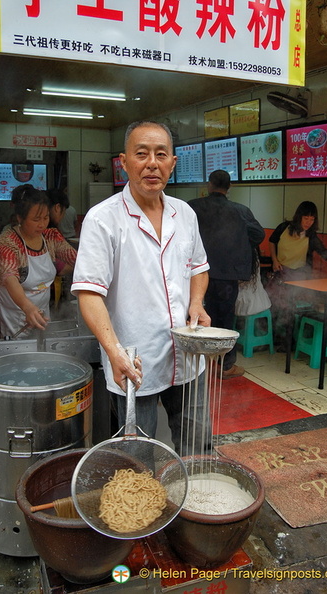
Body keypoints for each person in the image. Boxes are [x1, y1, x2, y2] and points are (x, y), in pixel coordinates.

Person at [71, 120, 211, 455]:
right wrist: (113, 350)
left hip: (188, 357)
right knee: (141, 455)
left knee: (198, 446)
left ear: (172, 163)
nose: (152, 163)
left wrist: (197, 303)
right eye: (142, 154)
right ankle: (147, 507)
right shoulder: (103, 219)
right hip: (134, 362)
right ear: (124, 161)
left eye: (161, 154)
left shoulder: (185, 214)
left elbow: (198, 267)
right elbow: (89, 293)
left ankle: (193, 503)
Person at [188, 170, 265, 378]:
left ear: (209, 185)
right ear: (229, 188)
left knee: (195, 315)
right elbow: (258, 234)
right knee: (225, 318)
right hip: (227, 275)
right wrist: (237, 240)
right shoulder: (240, 210)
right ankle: (226, 365)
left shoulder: (193, 206)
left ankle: (197, 363)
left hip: (196, 273)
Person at [268, 200, 327, 346]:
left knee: (291, 307)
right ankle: (278, 340)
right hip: (281, 272)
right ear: (299, 217)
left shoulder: (311, 235)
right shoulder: (283, 227)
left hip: (299, 276)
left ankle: (291, 342)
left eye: (312, 219)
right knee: (279, 306)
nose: (309, 222)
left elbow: (325, 253)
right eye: (306, 218)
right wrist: (274, 260)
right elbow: (272, 241)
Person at [0, 184, 77, 338]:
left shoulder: (50, 236)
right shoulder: (7, 242)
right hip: (15, 316)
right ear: (20, 218)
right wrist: (28, 308)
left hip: (42, 314)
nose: (42, 224)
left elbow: (75, 258)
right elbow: (10, 279)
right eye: (36, 219)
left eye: (45, 218)